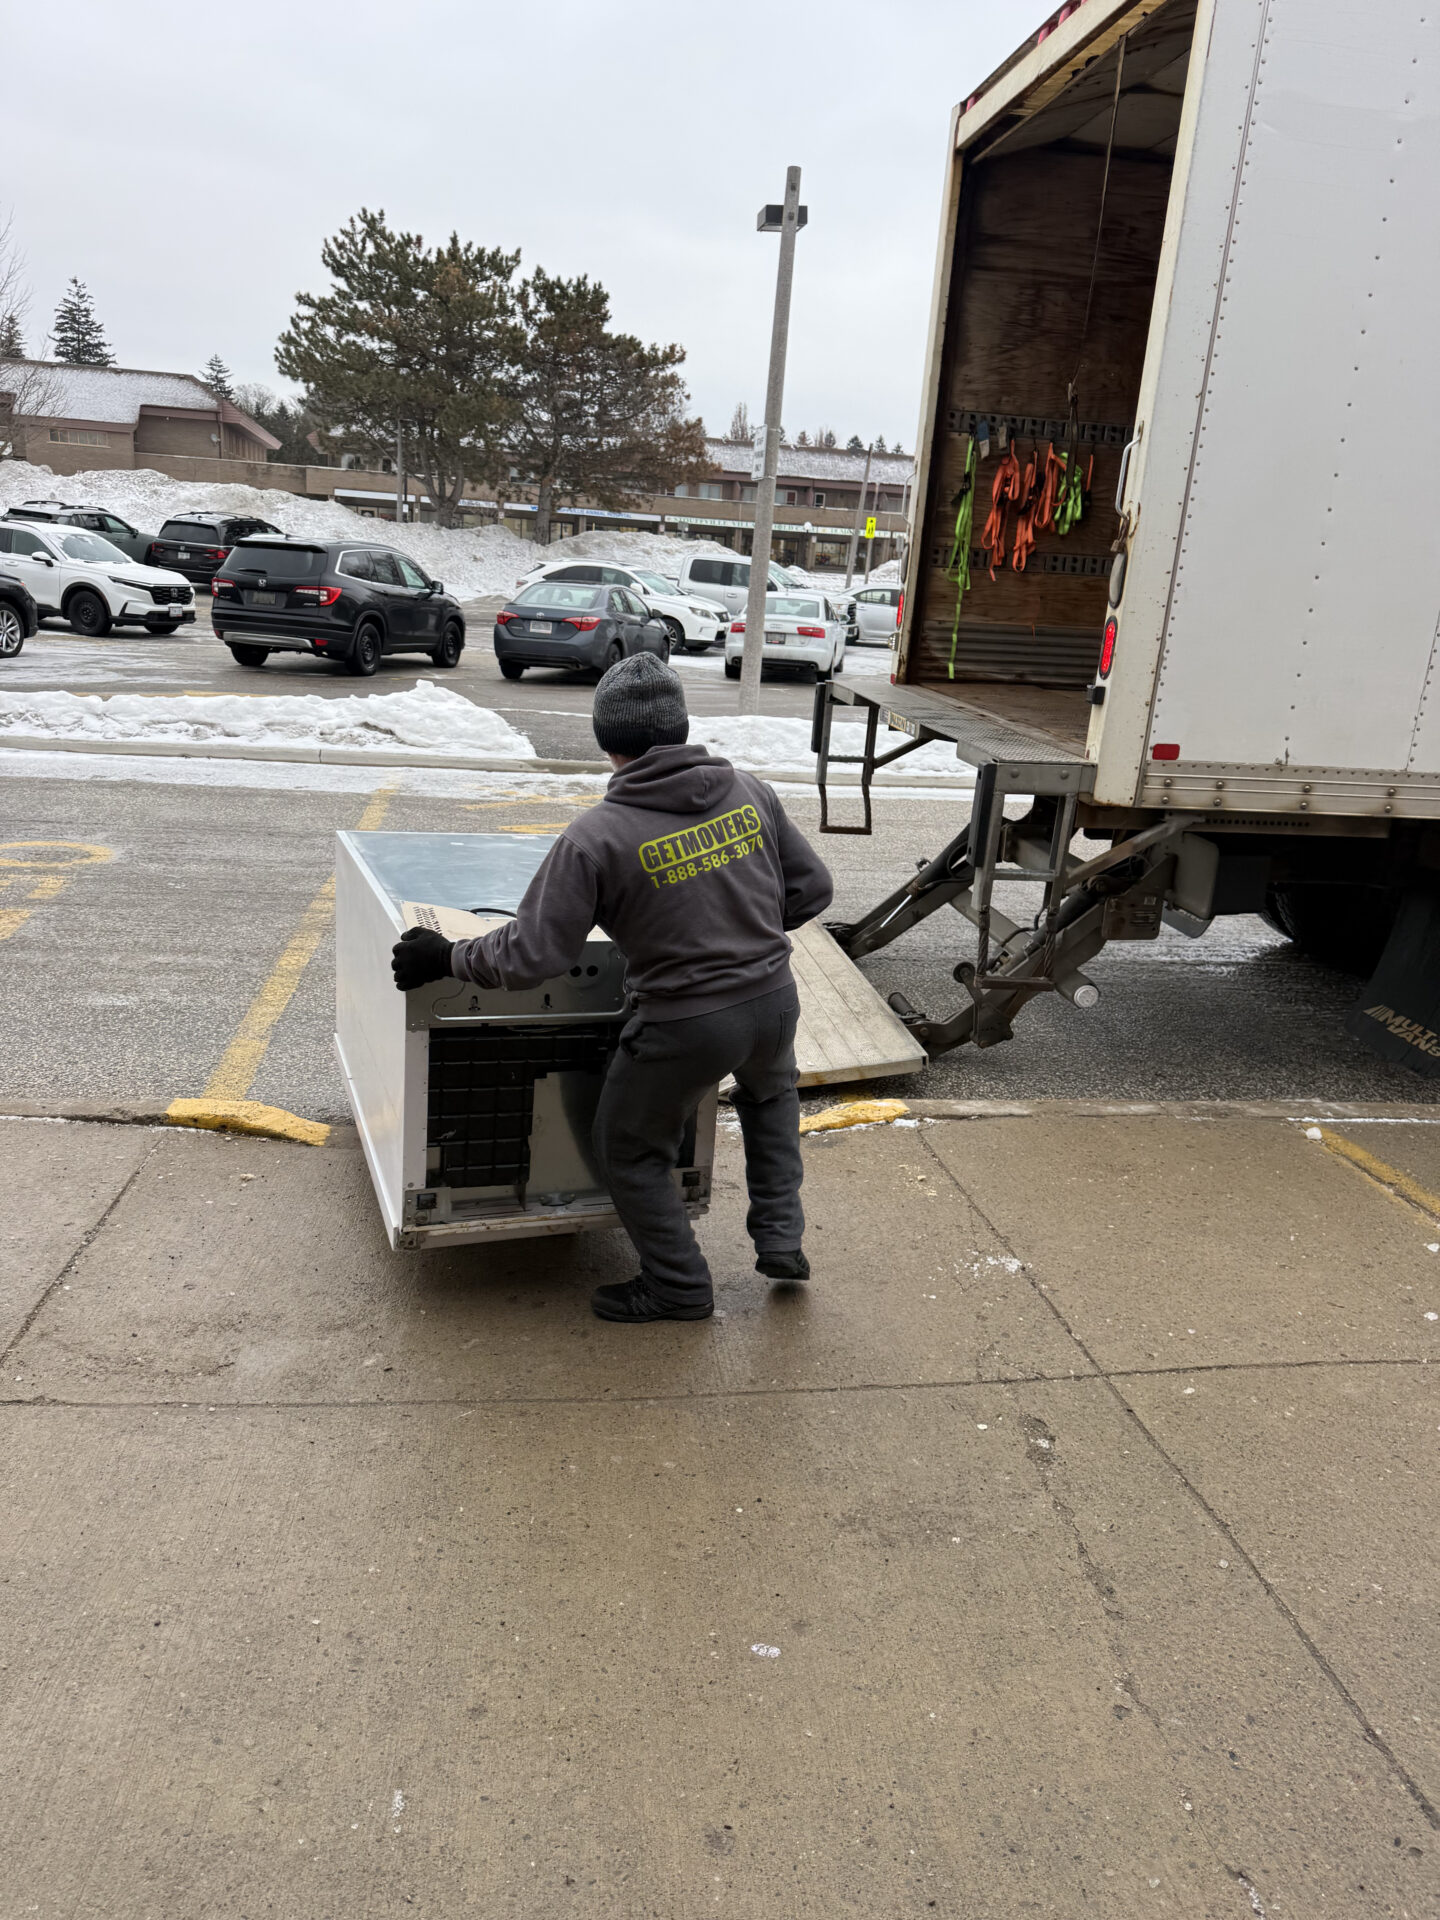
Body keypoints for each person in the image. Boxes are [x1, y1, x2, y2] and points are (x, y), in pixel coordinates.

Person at [392, 651, 833, 1324]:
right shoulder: (750, 792)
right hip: (774, 999)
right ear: (683, 727)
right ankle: (781, 1237)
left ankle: (679, 1287)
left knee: (628, 1148)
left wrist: (447, 957)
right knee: (771, 1097)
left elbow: (534, 953)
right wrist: (740, 933)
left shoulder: (596, 837)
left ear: (607, 743)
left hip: (686, 1023)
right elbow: (812, 889)